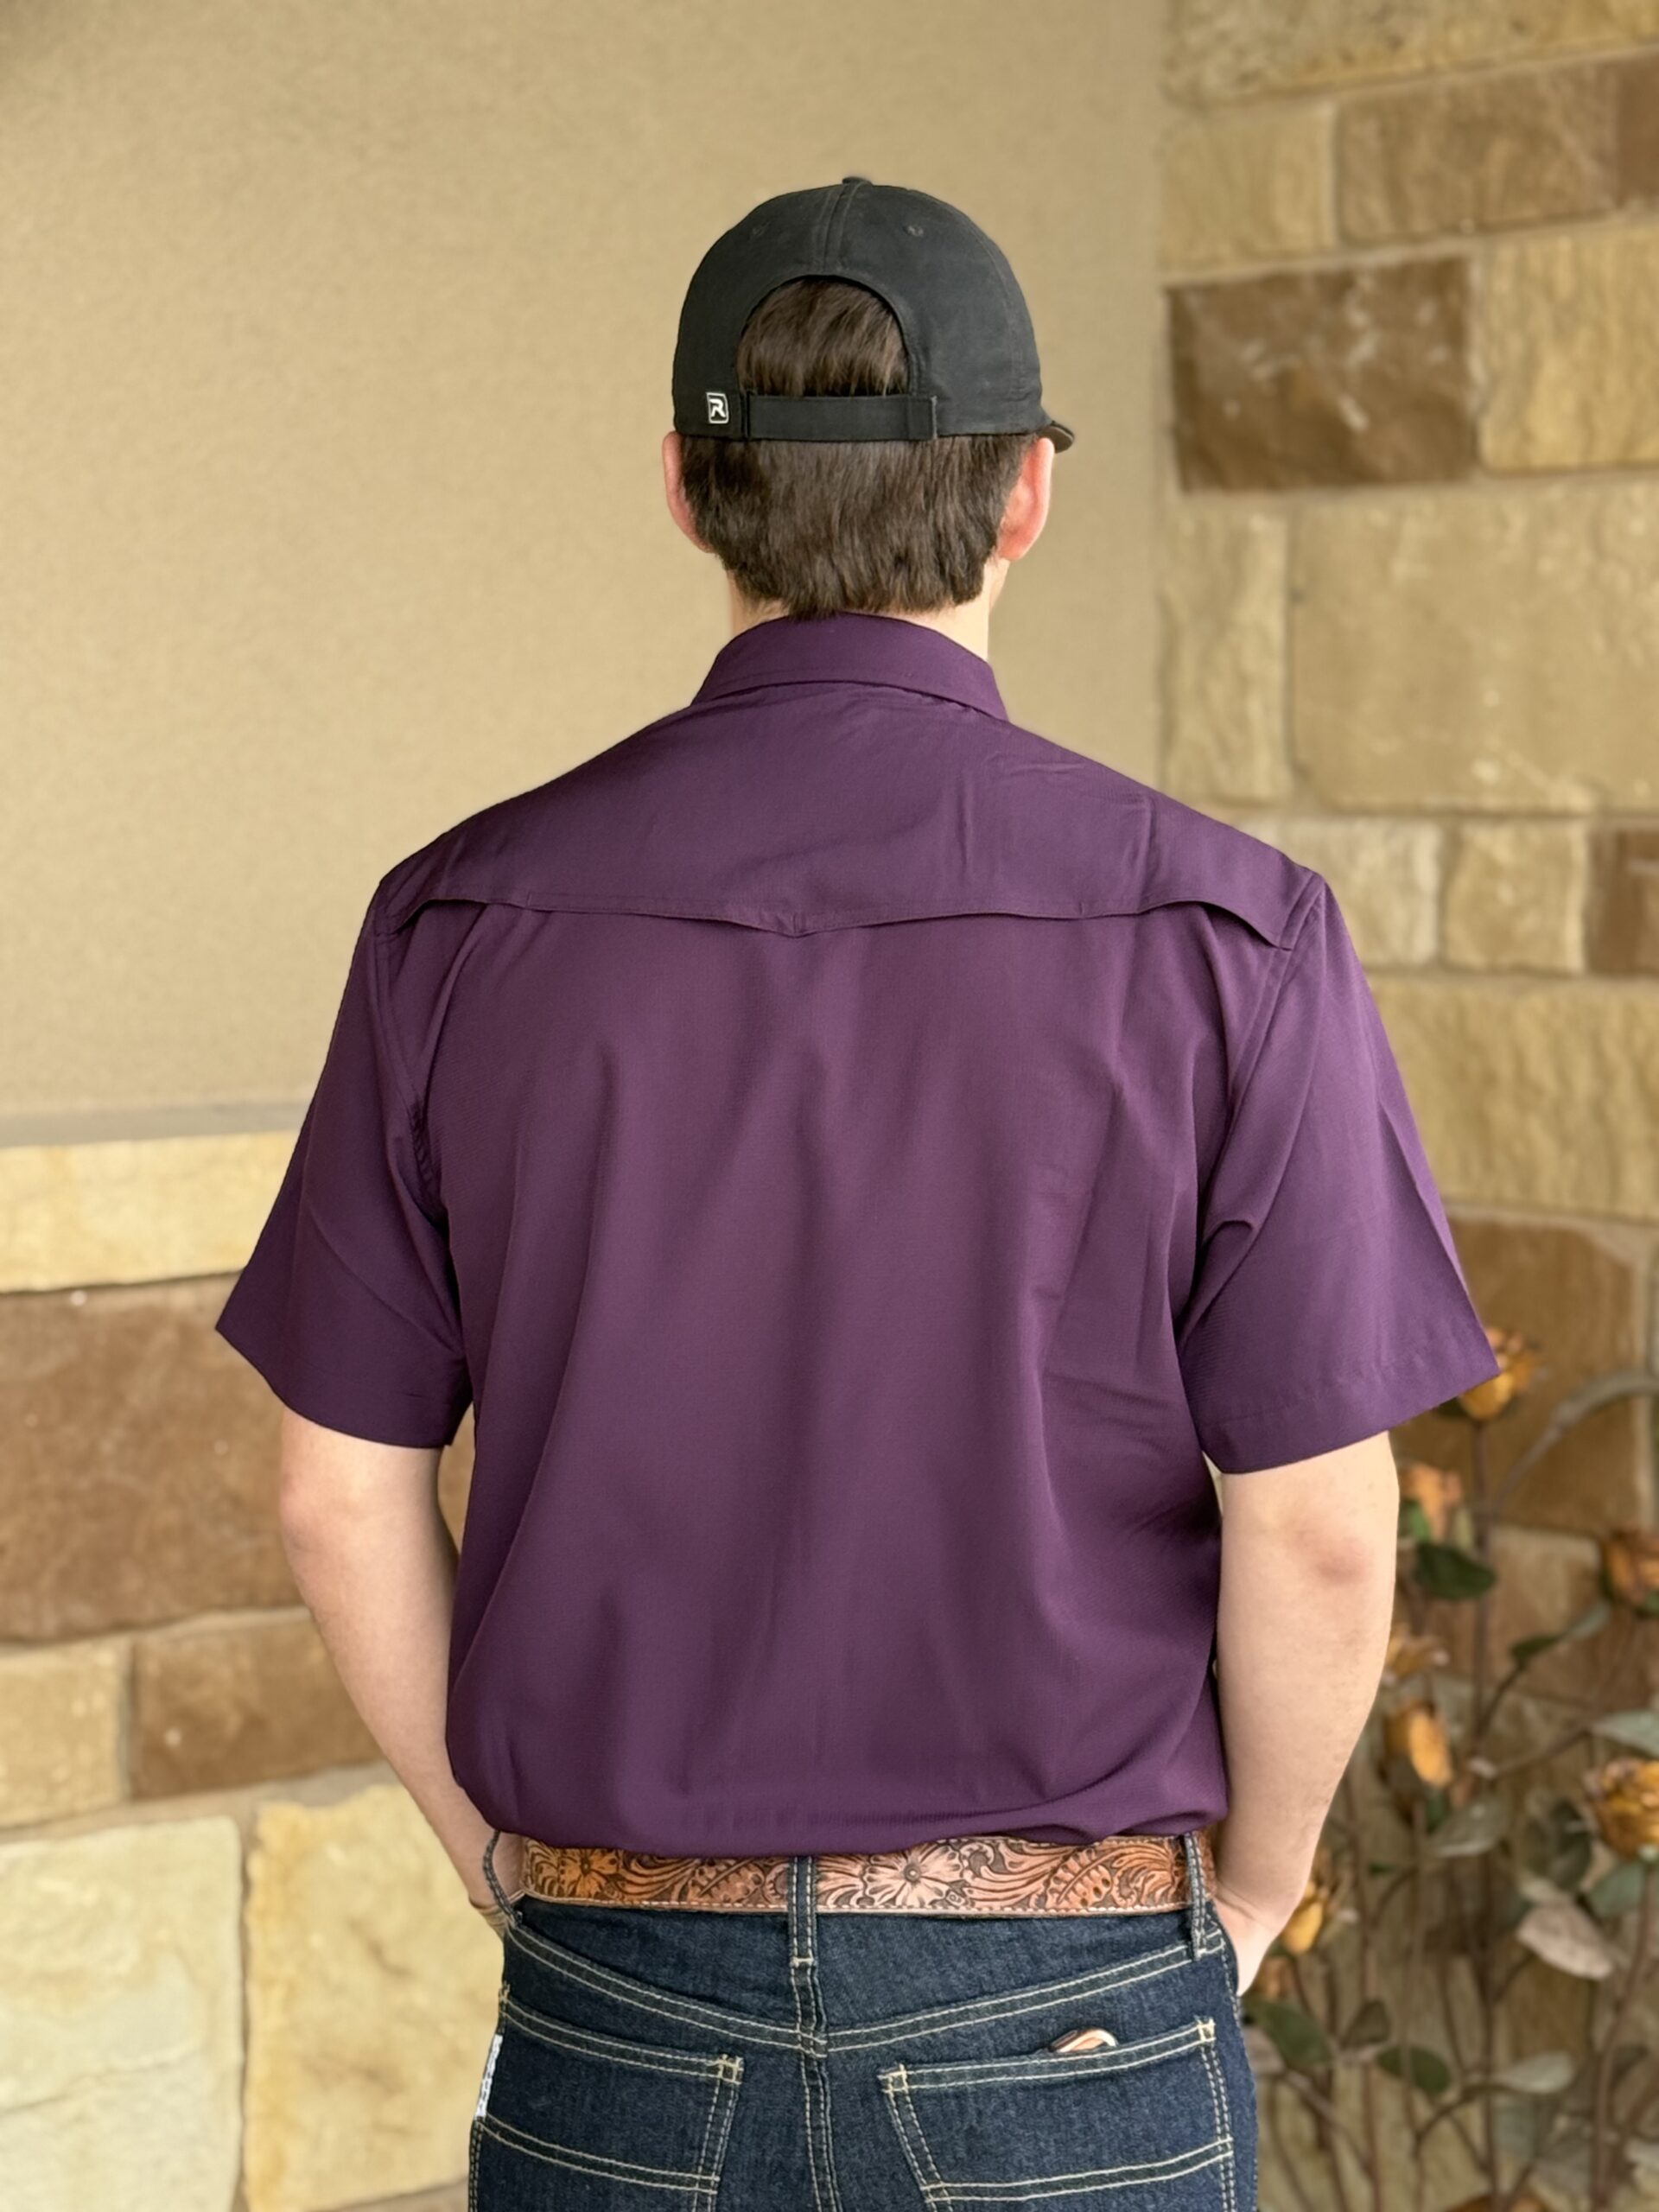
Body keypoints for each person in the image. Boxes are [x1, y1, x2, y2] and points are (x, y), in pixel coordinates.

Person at [214, 178, 1502, 2210]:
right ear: (1024, 497)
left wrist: (497, 1857)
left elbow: (333, 1491)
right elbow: (1328, 1529)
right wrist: (1256, 1889)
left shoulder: (457, 919)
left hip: (620, 1992)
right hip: (1071, 1998)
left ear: (685, 486)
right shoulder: (1227, 931)